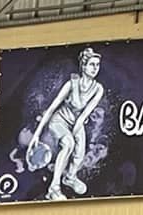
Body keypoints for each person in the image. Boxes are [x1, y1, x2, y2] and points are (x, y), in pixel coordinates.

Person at [28, 46, 103, 203]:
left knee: (79, 154)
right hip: (59, 121)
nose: (95, 68)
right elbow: (52, 108)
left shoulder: (98, 89)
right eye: (92, 64)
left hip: (77, 122)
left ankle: (70, 177)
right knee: (68, 144)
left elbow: (84, 115)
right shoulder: (71, 84)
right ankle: (53, 189)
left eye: (97, 65)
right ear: (83, 66)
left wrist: (76, 133)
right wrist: (36, 135)